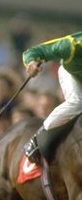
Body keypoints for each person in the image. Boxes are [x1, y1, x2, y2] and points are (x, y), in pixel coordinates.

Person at [23, 31, 82, 164]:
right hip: (71, 74)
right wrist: (31, 63)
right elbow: (34, 51)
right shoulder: (71, 45)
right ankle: (38, 138)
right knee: (78, 103)